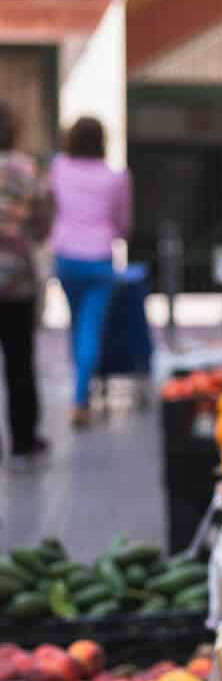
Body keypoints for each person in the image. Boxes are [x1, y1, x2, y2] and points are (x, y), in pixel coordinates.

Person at [49, 117, 131, 429]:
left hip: (67, 256)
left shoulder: (59, 168)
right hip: (99, 257)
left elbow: (51, 207)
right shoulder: (116, 177)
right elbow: (124, 223)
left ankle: (80, 387)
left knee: (76, 325)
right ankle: (80, 398)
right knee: (90, 328)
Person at [0, 102, 54, 469]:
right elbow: (44, 222)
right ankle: (23, 439)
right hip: (17, 277)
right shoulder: (26, 169)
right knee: (19, 360)